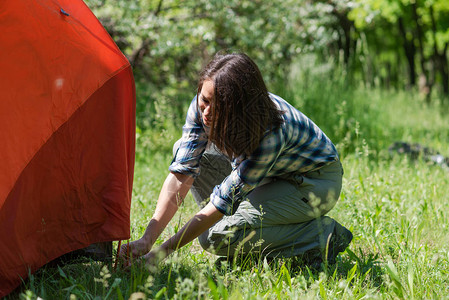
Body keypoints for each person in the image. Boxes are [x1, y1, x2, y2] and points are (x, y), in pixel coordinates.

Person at [120, 52, 352, 267]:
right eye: (205, 100)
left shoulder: (270, 132)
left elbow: (223, 201)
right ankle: (243, 236)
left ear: (241, 107)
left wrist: (159, 255)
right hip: (269, 176)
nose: (207, 112)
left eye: (219, 105)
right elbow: (183, 172)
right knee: (184, 149)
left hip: (312, 184)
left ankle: (321, 236)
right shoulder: (203, 105)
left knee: (215, 237)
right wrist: (147, 240)